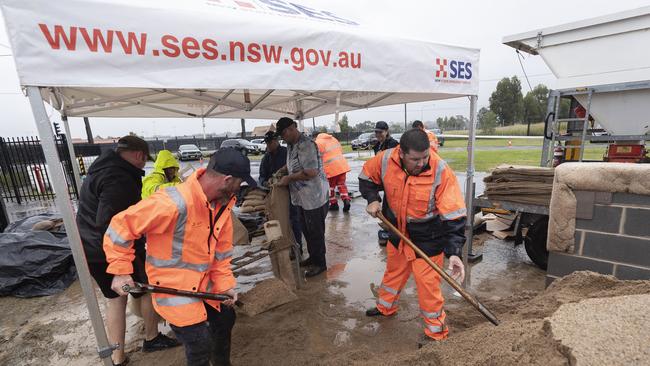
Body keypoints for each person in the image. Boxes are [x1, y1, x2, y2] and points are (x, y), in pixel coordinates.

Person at [105, 148, 256, 366]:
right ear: (228, 179)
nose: (239, 189)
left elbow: (221, 255)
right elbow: (121, 226)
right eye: (239, 183)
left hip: (204, 284)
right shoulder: (173, 203)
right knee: (199, 343)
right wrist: (120, 272)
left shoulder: (221, 208)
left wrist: (224, 286)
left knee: (225, 318)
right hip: (173, 289)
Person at [76, 136, 179, 366]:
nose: (144, 165)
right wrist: (123, 260)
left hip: (90, 247)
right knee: (149, 288)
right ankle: (151, 338)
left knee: (116, 299)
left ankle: (117, 357)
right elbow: (109, 221)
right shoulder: (118, 178)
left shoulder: (102, 168)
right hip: (109, 249)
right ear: (139, 155)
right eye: (145, 161)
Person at [359, 129, 466, 347]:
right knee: (393, 273)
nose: (422, 163)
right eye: (415, 159)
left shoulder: (440, 170)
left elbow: (454, 215)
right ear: (401, 153)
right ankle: (385, 307)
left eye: (425, 156)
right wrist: (372, 198)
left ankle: (436, 333)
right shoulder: (386, 159)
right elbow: (366, 177)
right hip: (397, 231)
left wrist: (454, 252)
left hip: (428, 236)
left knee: (428, 287)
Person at [274, 117, 330, 278]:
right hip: (301, 198)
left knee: (315, 232)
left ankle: (321, 264)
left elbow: (311, 172)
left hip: (314, 197)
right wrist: (283, 170)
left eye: (283, 133)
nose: (282, 138)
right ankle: (313, 257)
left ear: (292, 128)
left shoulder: (306, 144)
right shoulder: (291, 145)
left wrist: (288, 179)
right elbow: (293, 163)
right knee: (306, 230)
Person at [259, 131, 303, 256]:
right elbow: (261, 177)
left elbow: (296, 169)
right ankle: (281, 247)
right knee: (277, 221)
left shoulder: (286, 153)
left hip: (290, 191)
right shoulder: (266, 158)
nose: (268, 146)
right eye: (267, 143)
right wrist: (265, 183)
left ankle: (296, 247)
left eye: (270, 143)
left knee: (294, 219)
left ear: (276, 141)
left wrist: (285, 176)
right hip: (275, 194)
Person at [372, 121, 399, 246]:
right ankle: (388, 226)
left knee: (391, 206)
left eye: (380, 132)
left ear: (387, 131)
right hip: (383, 179)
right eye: (376, 132)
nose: (378, 134)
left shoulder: (393, 144)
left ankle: (392, 228)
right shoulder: (377, 145)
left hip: (393, 179)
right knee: (386, 205)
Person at [315, 133, 351, 212]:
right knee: (342, 185)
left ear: (316, 136)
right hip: (341, 166)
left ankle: (334, 204)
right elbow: (340, 150)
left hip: (330, 168)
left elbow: (316, 157)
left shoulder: (318, 142)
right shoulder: (333, 139)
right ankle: (346, 200)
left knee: (330, 187)